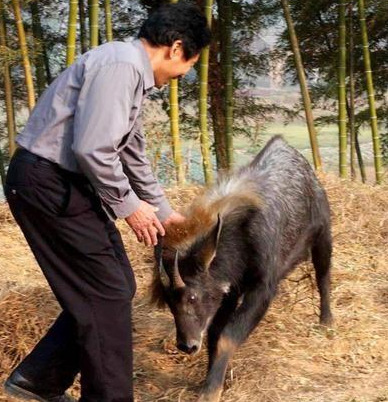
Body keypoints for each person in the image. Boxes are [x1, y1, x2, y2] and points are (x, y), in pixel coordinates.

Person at [3, 3, 211, 402]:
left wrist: (164, 212)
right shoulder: (121, 67)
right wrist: (129, 207)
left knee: (115, 285)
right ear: (176, 48)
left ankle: (38, 381)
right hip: (47, 181)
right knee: (107, 291)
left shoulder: (130, 73)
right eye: (191, 64)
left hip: (60, 182)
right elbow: (94, 149)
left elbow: (130, 151)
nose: (184, 74)